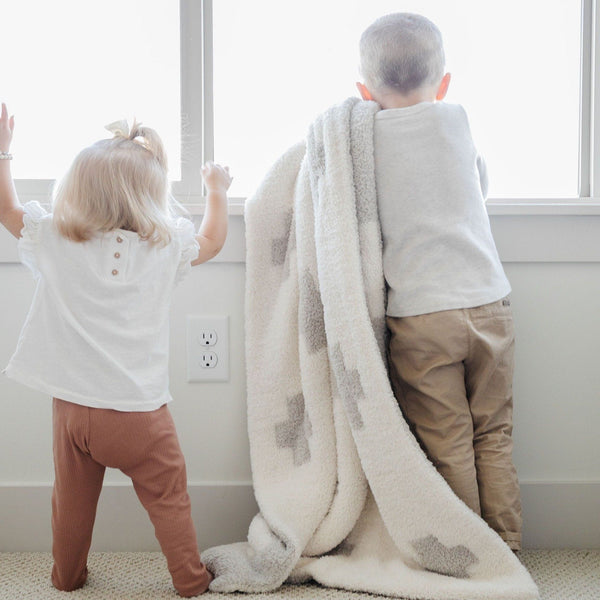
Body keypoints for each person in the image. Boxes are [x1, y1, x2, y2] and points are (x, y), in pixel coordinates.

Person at [0, 104, 232, 595]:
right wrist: (216, 190)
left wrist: (3, 152)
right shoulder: (166, 247)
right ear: (152, 194)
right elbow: (212, 239)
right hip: (139, 414)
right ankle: (189, 579)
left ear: (78, 189)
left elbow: (6, 209)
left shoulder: (57, 240)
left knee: (71, 503)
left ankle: (66, 576)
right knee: (168, 497)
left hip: (73, 409)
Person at [356, 14, 522, 551]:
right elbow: (480, 181)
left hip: (425, 316)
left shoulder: (368, 137)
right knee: (493, 434)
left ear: (364, 92)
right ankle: (508, 548)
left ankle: (472, 558)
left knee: (447, 441)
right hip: (489, 302)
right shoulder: (457, 119)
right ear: (444, 82)